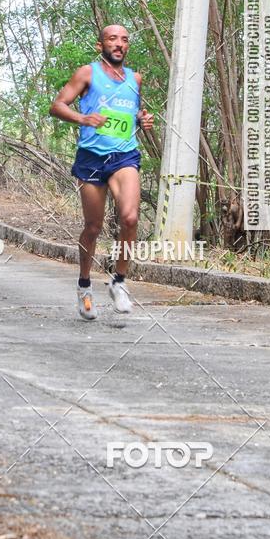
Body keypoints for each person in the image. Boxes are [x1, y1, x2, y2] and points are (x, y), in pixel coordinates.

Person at [50, 25, 154, 320]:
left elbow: (131, 111)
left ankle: (119, 281)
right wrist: (83, 117)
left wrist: (141, 119)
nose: (119, 44)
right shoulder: (87, 73)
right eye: (112, 39)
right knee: (93, 227)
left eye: (124, 40)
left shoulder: (134, 79)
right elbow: (56, 106)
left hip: (124, 156)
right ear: (100, 45)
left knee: (130, 218)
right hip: (91, 157)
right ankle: (84, 285)